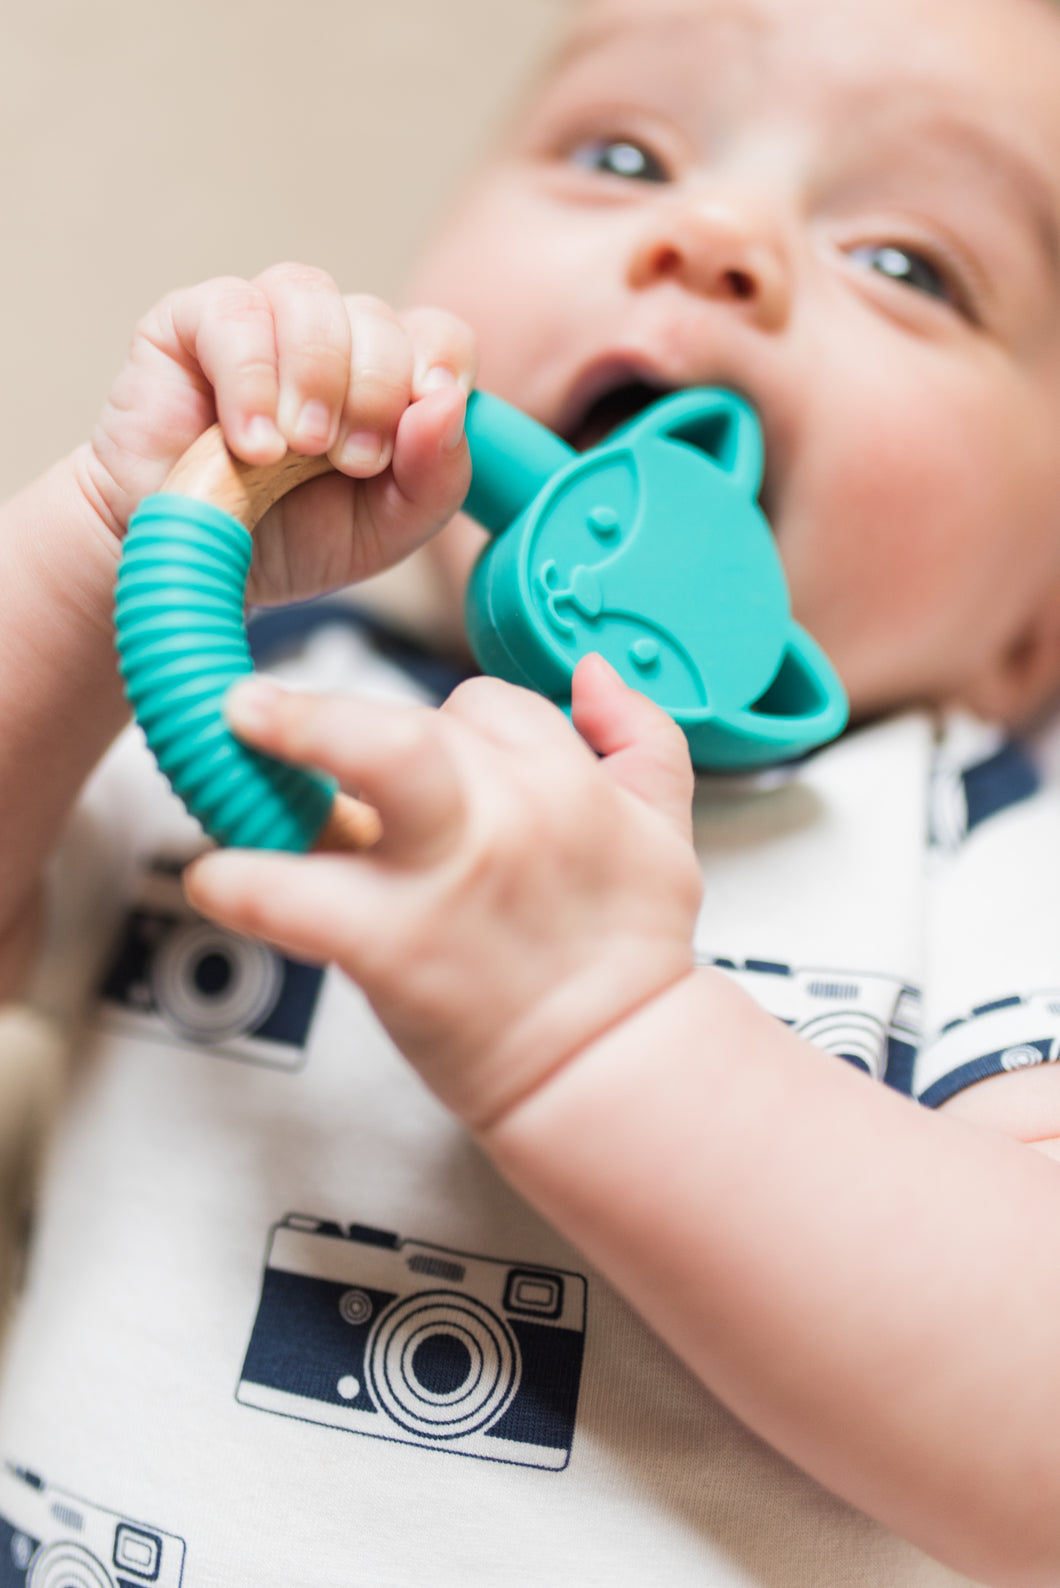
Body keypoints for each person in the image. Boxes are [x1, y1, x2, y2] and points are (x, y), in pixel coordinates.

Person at [3, 0, 1060, 1581]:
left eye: (909, 264)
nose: (719, 237)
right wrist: (111, 538)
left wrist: (606, 1036)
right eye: (624, 156)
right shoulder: (244, 694)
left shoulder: (990, 850)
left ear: (1034, 627)